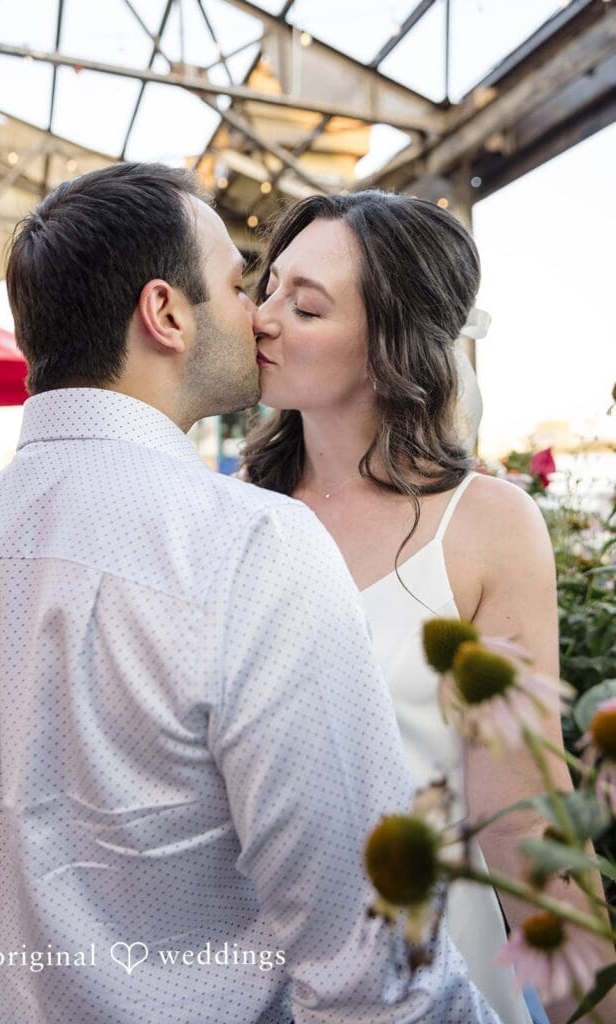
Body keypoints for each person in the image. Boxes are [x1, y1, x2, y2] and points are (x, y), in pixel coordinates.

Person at [0, 164, 499, 1024]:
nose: (258, 315)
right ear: (165, 314)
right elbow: (373, 965)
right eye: (240, 283)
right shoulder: (250, 545)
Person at [243, 190, 616, 1024]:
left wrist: (591, 1007)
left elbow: (521, 800)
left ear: (388, 346)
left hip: (438, 971)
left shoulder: (485, 524)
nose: (262, 318)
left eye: (304, 305)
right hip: (256, 977)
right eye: (268, 289)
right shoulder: (232, 514)